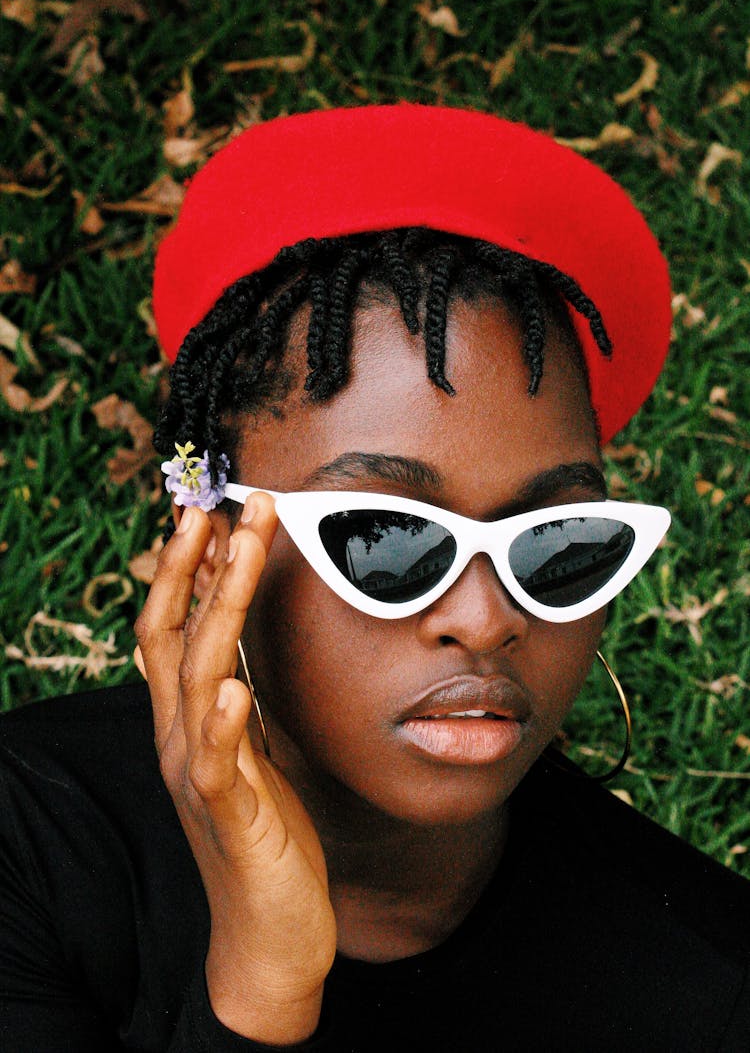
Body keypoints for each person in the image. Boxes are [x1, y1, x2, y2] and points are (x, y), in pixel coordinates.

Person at [0, 105, 748, 1052]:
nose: (486, 617)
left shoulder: (711, 986)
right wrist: (260, 989)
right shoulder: (28, 842)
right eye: (388, 539)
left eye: (555, 540)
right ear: (216, 538)